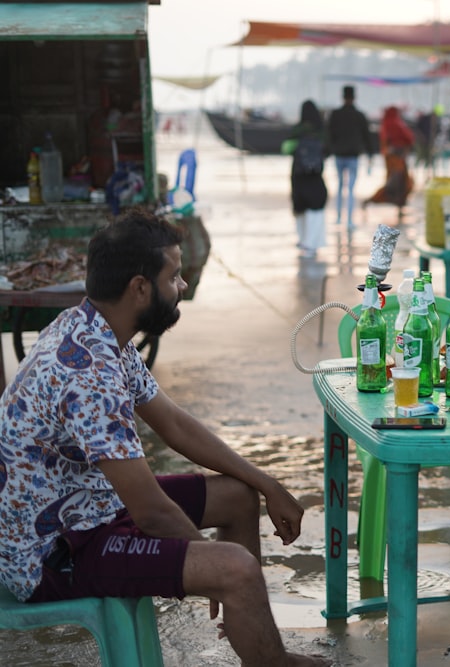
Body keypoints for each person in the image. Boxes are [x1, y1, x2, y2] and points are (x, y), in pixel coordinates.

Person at [0, 210, 330, 667]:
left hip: (91, 507)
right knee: (236, 567)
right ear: (139, 288)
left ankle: (257, 648)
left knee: (237, 495)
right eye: (174, 276)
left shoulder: (97, 331)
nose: (183, 287)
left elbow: (174, 424)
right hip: (54, 553)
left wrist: (268, 483)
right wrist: (213, 563)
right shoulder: (89, 372)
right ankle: (270, 659)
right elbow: (151, 512)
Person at [326, 85, 374, 229]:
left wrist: (328, 151)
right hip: (353, 155)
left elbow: (329, 135)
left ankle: (339, 217)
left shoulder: (335, 114)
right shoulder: (359, 115)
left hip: (339, 155)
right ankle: (350, 221)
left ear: (343, 96)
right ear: (354, 97)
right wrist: (370, 155)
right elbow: (367, 136)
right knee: (351, 188)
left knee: (340, 186)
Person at [284, 100, 328, 258]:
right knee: (316, 210)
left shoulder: (297, 130)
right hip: (315, 176)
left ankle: (303, 240)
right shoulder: (321, 131)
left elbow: (286, 148)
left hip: (298, 175)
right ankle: (312, 244)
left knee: (300, 208)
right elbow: (328, 150)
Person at [364, 106, 415, 220]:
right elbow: (409, 138)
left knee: (396, 183)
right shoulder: (396, 123)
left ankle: (396, 206)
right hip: (397, 160)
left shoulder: (385, 124)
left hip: (392, 160)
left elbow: (385, 144)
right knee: (397, 184)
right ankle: (374, 201)